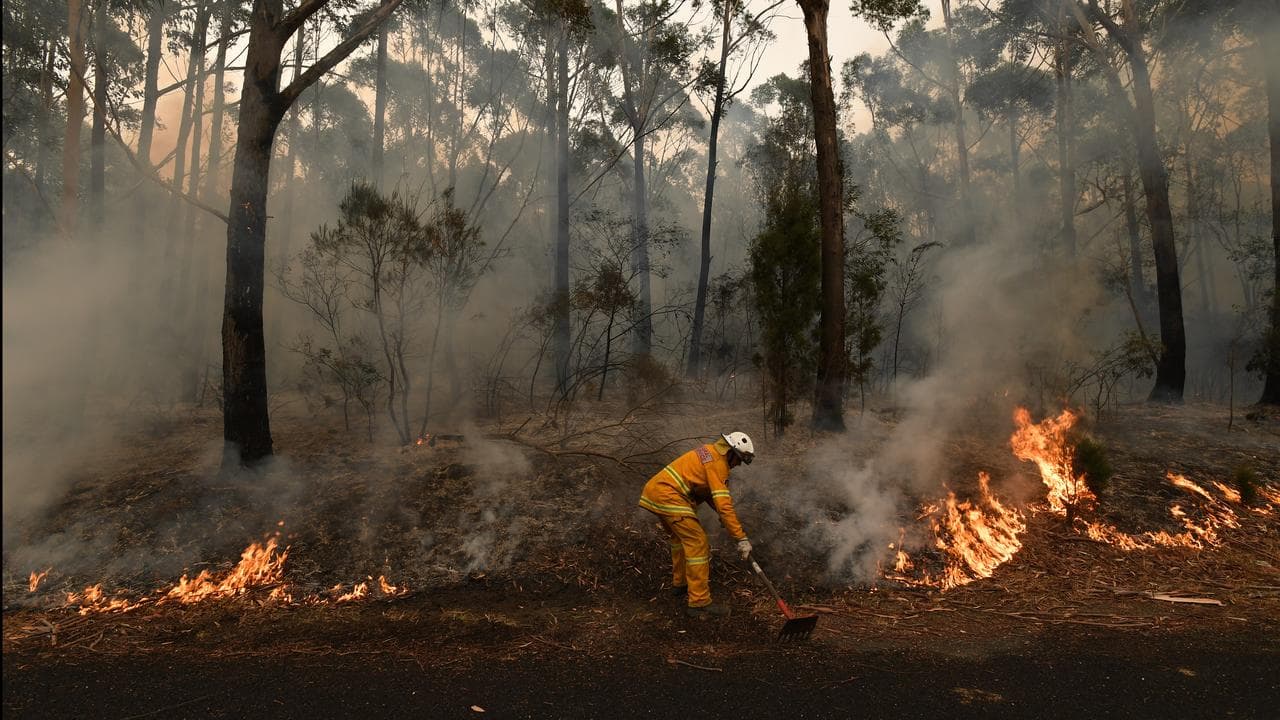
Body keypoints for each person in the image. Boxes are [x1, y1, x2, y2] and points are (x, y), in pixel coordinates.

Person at [638, 432, 755, 619]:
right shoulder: (718, 464)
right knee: (698, 542)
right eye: (739, 459)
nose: (739, 464)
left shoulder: (709, 453)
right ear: (730, 452)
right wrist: (741, 538)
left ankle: (680, 584)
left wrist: (722, 516)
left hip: (656, 491)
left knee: (679, 538)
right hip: (670, 496)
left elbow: (706, 492)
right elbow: (724, 504)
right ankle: (699, 603)